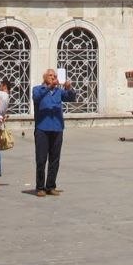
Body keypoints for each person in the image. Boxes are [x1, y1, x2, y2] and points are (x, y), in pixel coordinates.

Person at [32, 68, 76, 196]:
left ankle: (50, 186)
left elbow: (71, 98)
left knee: (55, 159)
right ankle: (40, 187)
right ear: (44, 77)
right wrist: (49, 86)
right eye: (50, 75)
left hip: (57, 128)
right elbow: (36, 98)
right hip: (42, 129)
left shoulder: (58, 91)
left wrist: (69, 88)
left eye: (55, 76)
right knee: (41, 159)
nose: (53, 77)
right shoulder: (37, 89)